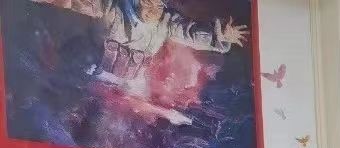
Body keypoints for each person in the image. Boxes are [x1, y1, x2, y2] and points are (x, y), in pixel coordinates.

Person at [31, 0, 249, 82]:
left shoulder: (165, 23)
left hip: (126, 85)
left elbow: (189, 33)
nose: (154, 9)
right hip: (87, 72)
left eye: (159, 4)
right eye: (149, 2)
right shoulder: (110, 7)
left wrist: (220, 36)